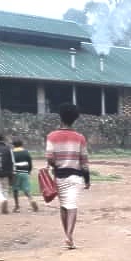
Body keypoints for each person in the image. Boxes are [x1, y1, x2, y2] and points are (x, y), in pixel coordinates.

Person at [45, 103, 90, 249]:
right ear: (75, 119)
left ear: (60, 116)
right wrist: (87, 179)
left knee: (64, 206)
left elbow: (50, 158)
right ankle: (69, 236)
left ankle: (68, 236)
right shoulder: (80, 138)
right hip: (75, 176)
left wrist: (55, 165)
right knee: (71, 206)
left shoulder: (51, 136)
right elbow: (84, 161)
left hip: (59, 176)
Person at [11, 138, 38, 213]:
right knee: (26, 189)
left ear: (13, 145)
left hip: (16, 172)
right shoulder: (26, 152)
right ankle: (31, 199)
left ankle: (17, 206)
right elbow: (30, 162)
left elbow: (10, 163)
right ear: (22, 144)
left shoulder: (12, 152)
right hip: (25, 172)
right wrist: (28, 171)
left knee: (15, 190)